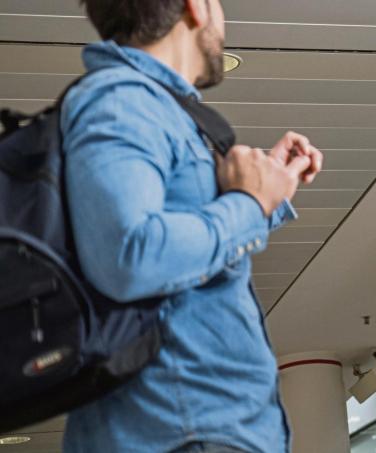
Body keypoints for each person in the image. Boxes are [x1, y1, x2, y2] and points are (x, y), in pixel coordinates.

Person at [61, 0, 323, 451]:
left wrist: (269, 193)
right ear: (195, 8)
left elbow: (177, 251)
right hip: (185, 431)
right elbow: (130, 256)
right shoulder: (121, 100)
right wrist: (249, 202)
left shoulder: (155, 108)